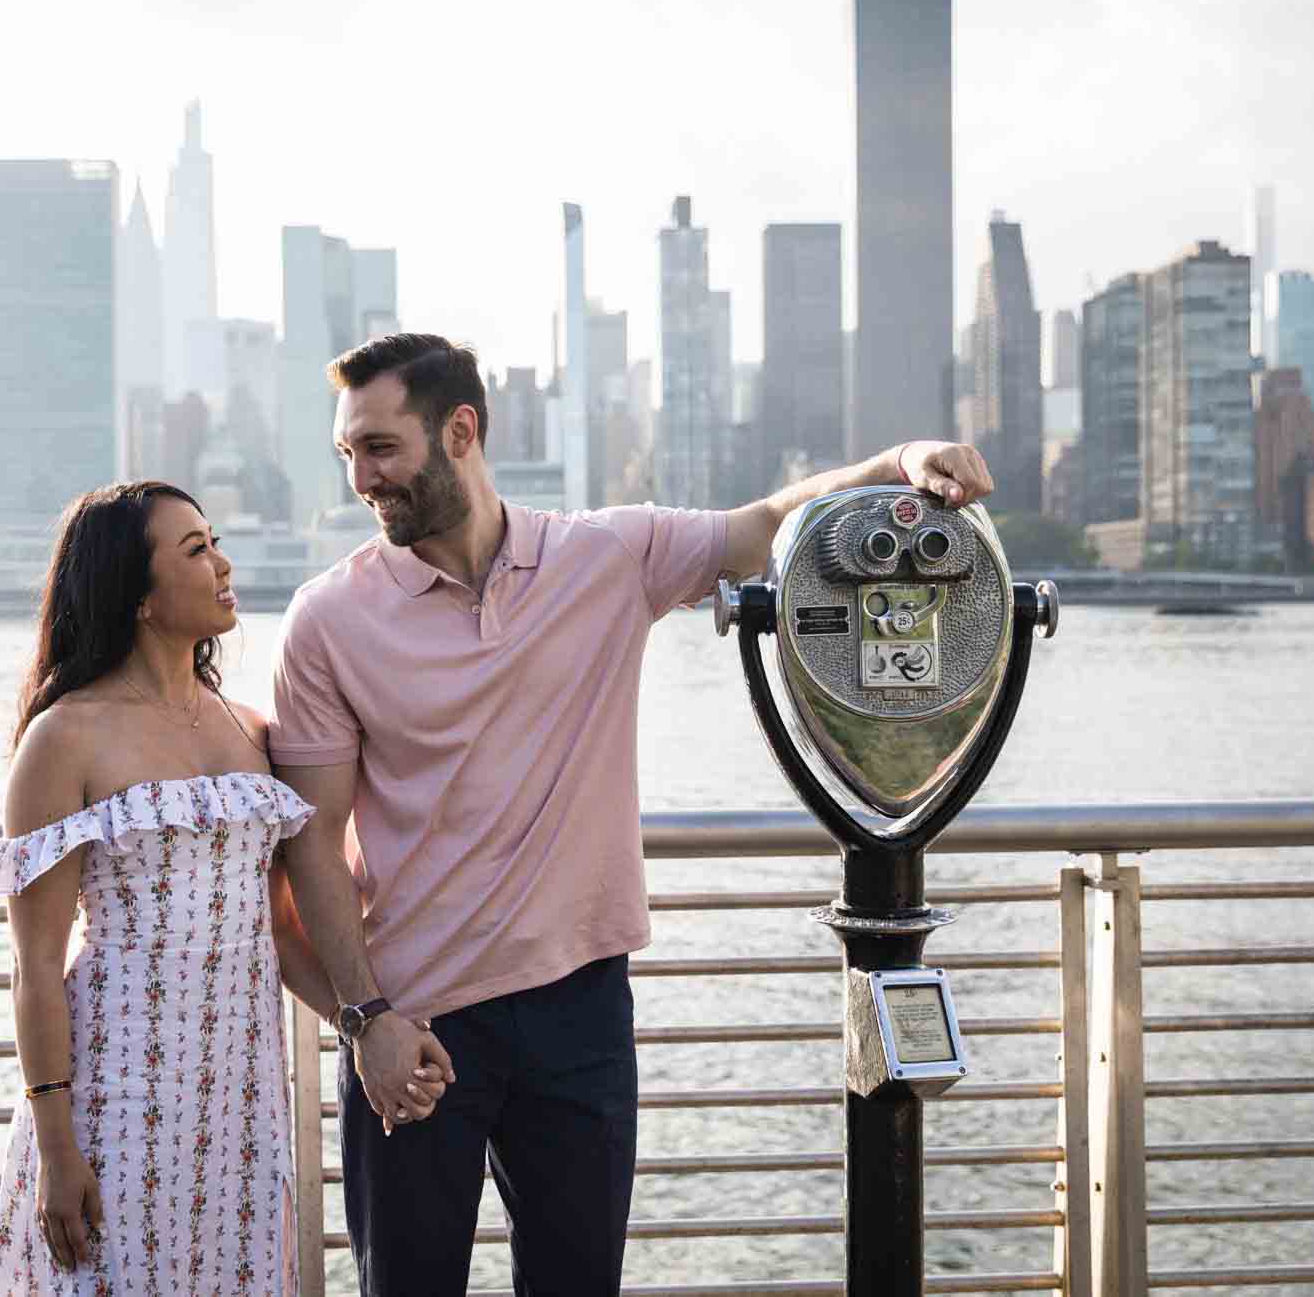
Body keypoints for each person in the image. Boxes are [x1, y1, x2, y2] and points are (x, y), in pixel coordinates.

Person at [268, 333, 994, 1295]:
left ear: (461, 431)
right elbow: (309, 844)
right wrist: (364, 1021)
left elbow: (768, 523)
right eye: (348, 453)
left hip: (580, 1015)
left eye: (379, 448)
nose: (361, 477)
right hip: (418, 1024)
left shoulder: (603, 558)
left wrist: (900, 465)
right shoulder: (327, 620)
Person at [0, 480, 448, 1296]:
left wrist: (366, 1030)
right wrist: (55, 1143)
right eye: (195, 550)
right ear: (137, 593)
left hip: (241, 1098)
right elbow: (36, 965)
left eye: (215, 540)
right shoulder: (63, 737)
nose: (223, 563)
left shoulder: (250, 728)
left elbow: (283, 932)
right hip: (115, 1094)